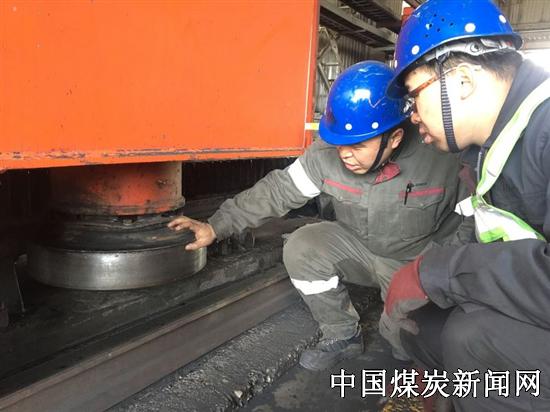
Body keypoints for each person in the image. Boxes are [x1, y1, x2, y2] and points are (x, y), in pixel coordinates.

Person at [169, 61, 464, 371]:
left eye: (358, 145)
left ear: (395, 138)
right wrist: (216, 226)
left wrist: (435, 273)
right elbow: (278, 191)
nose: (345, 154)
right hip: (358, 246)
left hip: (414, 261)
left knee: (408, 346)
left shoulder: (441, 157)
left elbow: (473, 223)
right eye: (340, 144)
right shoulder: (326, 155)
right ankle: (342, 334)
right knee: (302, 246)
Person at [380, 0, 550, 410]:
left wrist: (441, 272)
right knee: (424, 327)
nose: (411, 116)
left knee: (472, 339)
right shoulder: (493, 148)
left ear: (462, 81)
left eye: (413, 97)